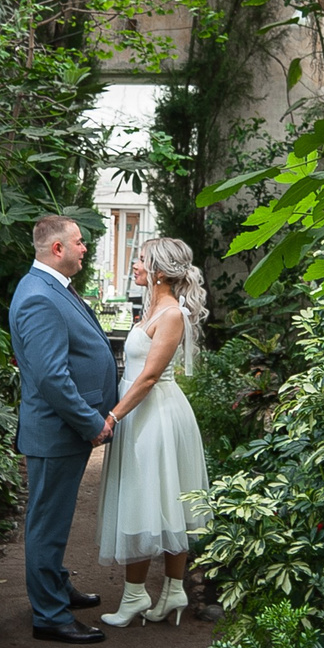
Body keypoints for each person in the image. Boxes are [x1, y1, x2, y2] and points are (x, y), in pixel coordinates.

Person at [8, 215, 116, 643]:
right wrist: (91, 422)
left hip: (62, 430)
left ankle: (56, 587)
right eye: (79, 242)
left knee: (55, 518)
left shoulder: (52, 287)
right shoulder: (39, 296)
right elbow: (52, 377)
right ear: (57, 249)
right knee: (47, 524)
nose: (84, 249)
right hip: (57, 431)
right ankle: (49, 616)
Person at [97, 236, 209, 626]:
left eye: (141, 260)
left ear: (160, 271)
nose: (136, 265)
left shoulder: (171, 314)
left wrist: (111, 417)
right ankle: (168, 592)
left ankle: (139, 596)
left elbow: (147, 378)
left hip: (155, 416)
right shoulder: (153, 309)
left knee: (151, 499)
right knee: (154, 498)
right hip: (142, 413)